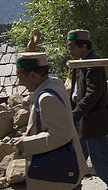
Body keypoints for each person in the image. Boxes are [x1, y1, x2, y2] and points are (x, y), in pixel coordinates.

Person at [14, 52, 87, 190]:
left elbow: (61, 135)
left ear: (34, 76)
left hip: (57, 179)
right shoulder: (54, 83)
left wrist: (27, 144)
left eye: (21, 77)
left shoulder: (47, 98)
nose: (20, 82)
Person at [67, 30, 108, 190]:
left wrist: (74, 113)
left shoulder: (93, 63)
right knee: (77, 158)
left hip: (93, 120)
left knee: (100, 158)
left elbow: (92, 93)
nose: (69, 51)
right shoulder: (79, 62)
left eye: (71, 47)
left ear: (83, 46)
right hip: (80, 119)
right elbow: (75, 91)